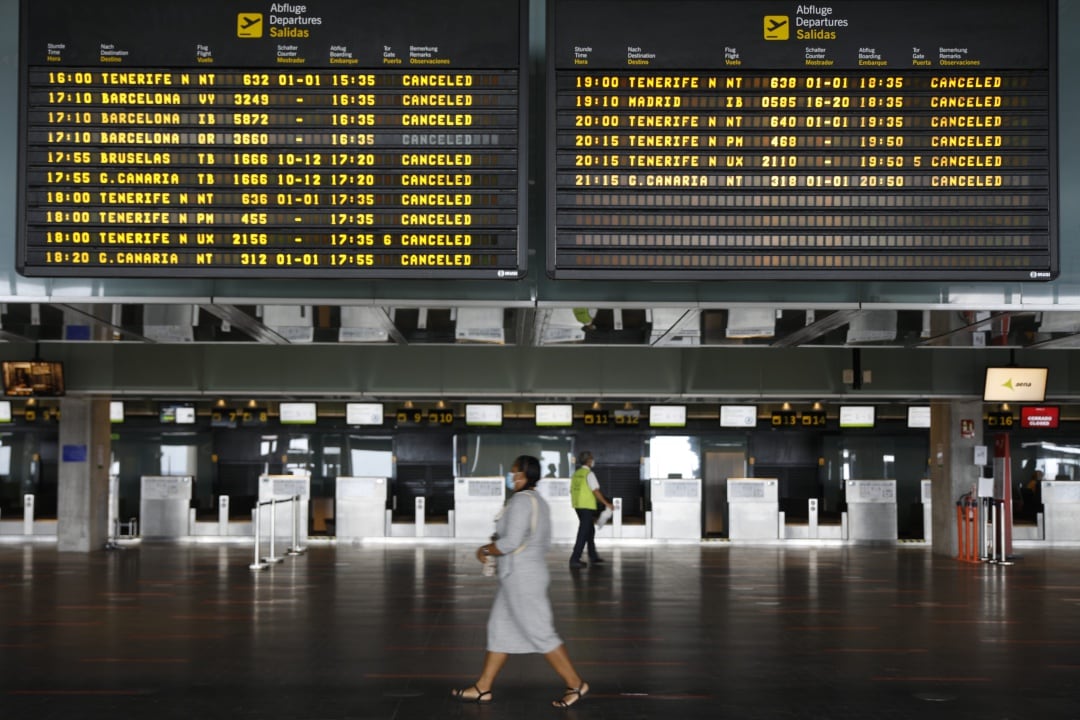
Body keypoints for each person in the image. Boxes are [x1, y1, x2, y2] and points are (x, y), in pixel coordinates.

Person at [451, 454, 590, 709]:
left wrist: (485, 549)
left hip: (523, 578)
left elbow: (510, 542)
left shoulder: (521, 501)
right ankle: (483, 688)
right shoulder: (537, 501)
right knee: (499, 628)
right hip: (520, 575)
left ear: (527, 475)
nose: (512, 476)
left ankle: (575, 684)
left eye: (516, 472)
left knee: (540, 632)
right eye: (513, 472)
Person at [569, 450, 614, 569]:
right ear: (589, 461)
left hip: (577, 505)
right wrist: (607, 504)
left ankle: (593, 556)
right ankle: (574, 558)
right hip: (586, 506)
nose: (593, 461)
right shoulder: (589, 474)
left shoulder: (576, 474)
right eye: (592, 459)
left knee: (589, 530)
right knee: (583, 532)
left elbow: (572, 490)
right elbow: (595, 491)